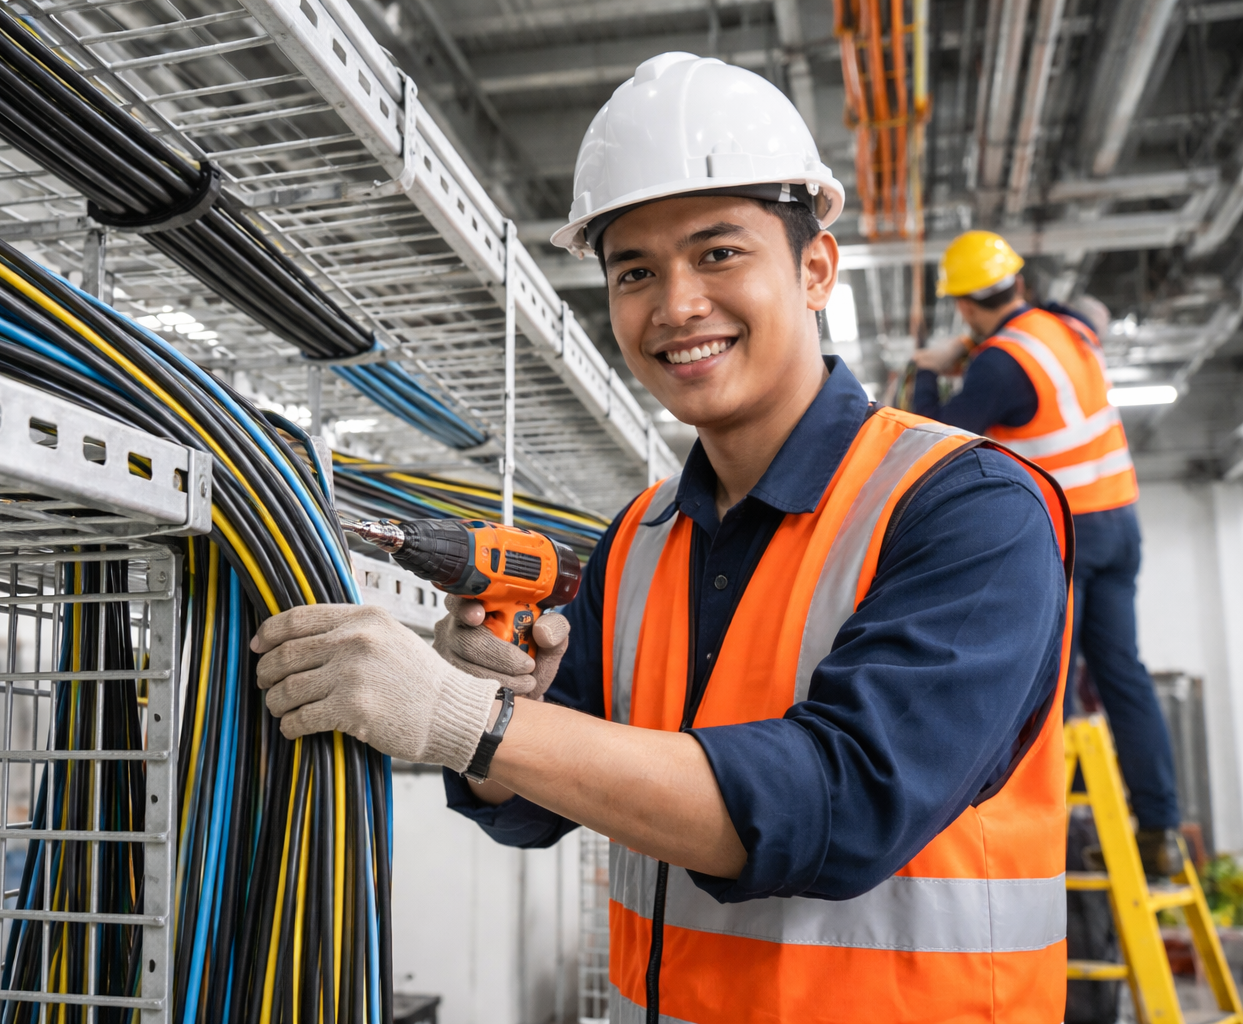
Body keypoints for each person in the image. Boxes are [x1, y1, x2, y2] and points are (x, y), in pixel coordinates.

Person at [252, 54, 1073, 1023]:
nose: (675, 304)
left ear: (815, 269)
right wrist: (501, 705)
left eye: (718, 253)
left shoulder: (967, 508)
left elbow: (841, 803)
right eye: (634, 270)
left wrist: (465, 721)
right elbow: (537, 807)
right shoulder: (639, 538)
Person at [912, 231, 1182, 876]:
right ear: (1020, 285)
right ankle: (1160, 831)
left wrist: (927, 368)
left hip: (1075, 535)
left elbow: (936, 441)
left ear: (965, 307)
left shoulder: (1000, 364)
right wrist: (975, 351)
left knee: (1047, 685)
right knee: (1123, 677)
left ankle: (1035, 843)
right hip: (1121, 524)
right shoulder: (1065, 328)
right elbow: (1052, 346)